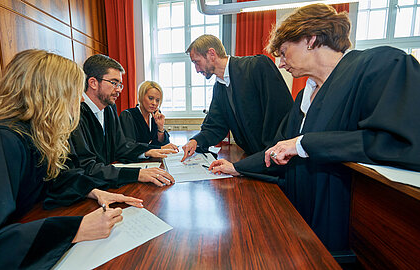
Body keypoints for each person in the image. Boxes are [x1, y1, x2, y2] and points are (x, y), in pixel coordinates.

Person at [208, 4, 420, 253]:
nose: (281, 63)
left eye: (285, 52)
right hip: (298, 221)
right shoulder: (303, 98)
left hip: (349, 229)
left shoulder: (382, 66)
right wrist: (237, 167)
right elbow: (278, 151)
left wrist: (304, 144)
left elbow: (400, 143)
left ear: (310, 39)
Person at [0, 49, 144, 269]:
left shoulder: (30, 135)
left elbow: (51, 180)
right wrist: (75, 229)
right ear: (49, 95)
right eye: (73, 93)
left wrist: (92, 190)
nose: (77, 101)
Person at [45, 54, 176, 209]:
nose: (119, 90)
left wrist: (149, 151)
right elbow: (87, 167)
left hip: (106, 187)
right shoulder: (74, 113)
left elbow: (120, 146)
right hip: (85, 196)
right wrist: (137, 174)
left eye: (120, 84)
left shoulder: (110, 108)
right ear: (93, 82)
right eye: (114, 83)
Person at [181, 34, 293, 162]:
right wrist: (196, 140)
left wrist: (273, 153)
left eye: (196, 62)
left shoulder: (257, 66)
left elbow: (282, 113)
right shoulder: (219, 88)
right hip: (253, 158)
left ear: (211, 54)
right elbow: (215, 126)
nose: (196, 69)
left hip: (277, 158)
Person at [119, 81, 178, 150]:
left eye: (157, 100)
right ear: (141, 96)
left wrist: (160, 128)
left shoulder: (155, 116)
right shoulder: (128, 115)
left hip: (153, 159)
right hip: (134, 160)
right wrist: (160, 148)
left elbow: (165, 144)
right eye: (150, 98)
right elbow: (130, 145)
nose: (154, 103)